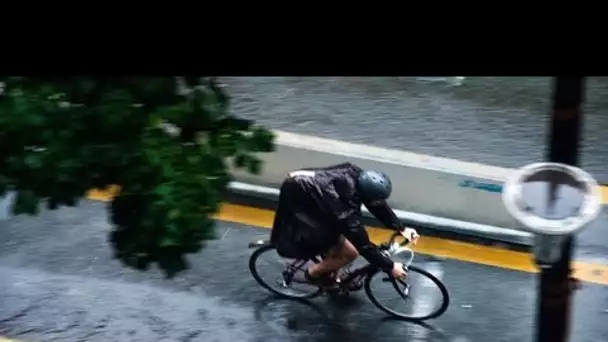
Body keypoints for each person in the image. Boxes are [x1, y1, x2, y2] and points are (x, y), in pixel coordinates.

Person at [270, 162, 419, 288]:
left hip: (310, 186)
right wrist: (390, 267)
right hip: (300, 196)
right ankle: (313, 273)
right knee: (349, 252)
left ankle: (330, 266)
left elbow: (377, 206)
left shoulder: (357, 176)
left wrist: (401, 228)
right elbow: (363, 245)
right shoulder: (343, 209)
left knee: (339, 236)